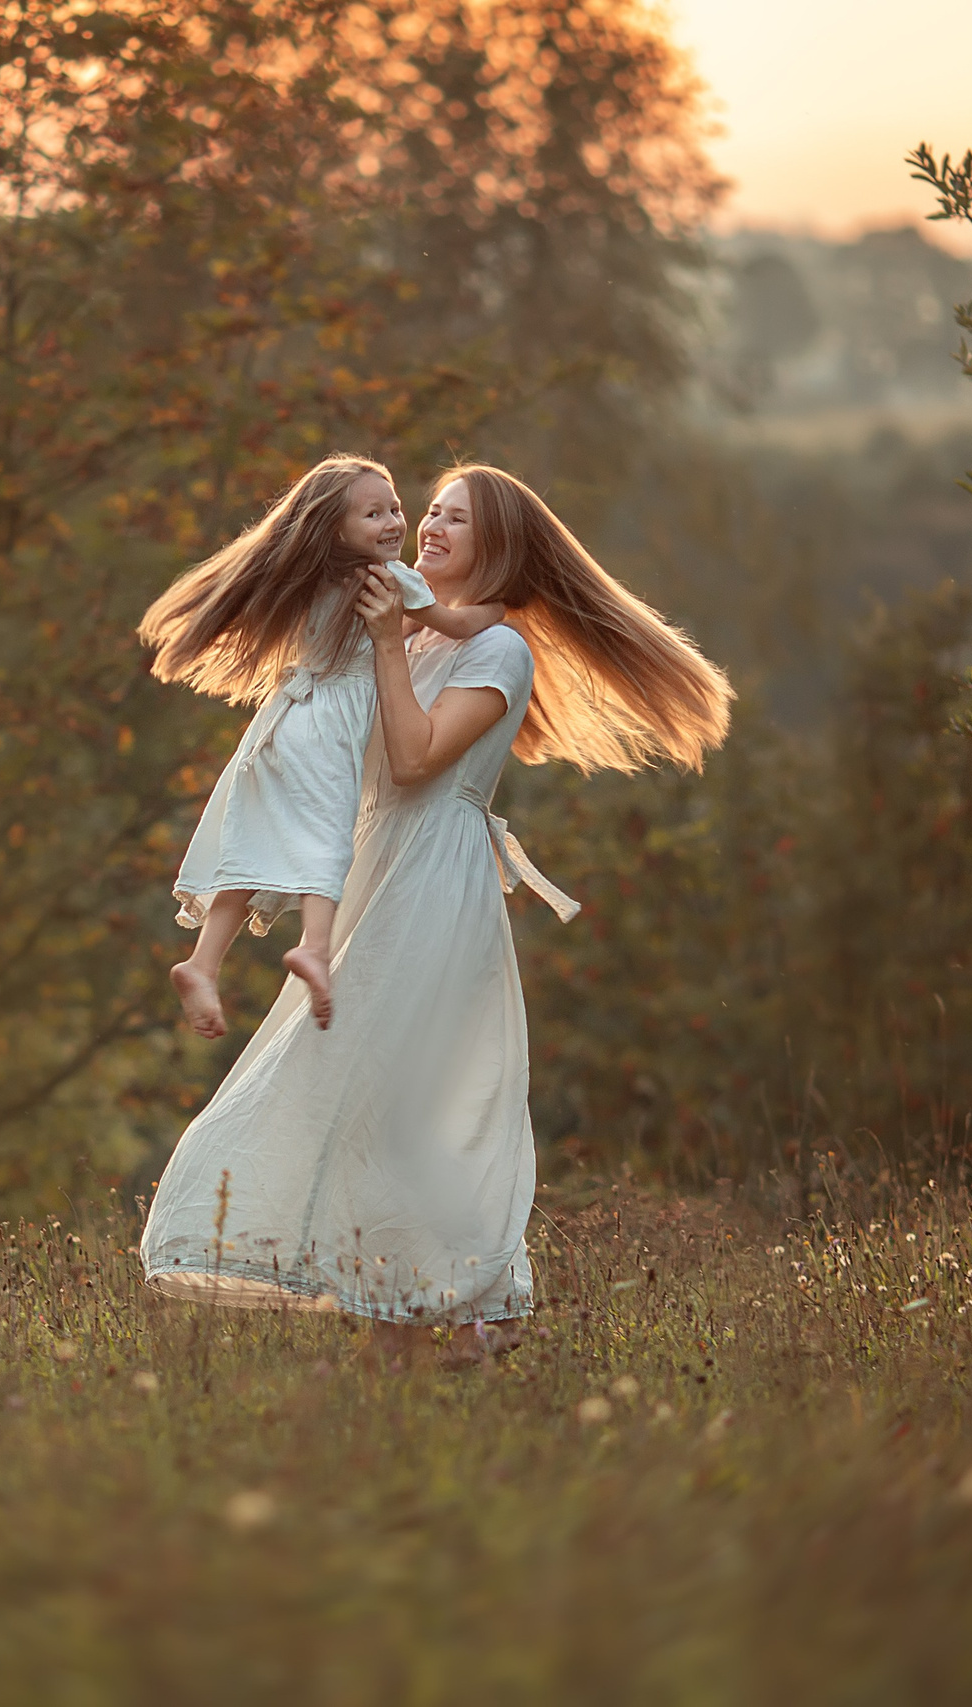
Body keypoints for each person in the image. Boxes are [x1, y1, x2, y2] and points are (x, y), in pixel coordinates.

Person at [140, 465, 734, 1363]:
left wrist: (385, 642)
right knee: (367, 1101)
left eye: (454, 520)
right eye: (432, 514)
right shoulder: (413, 635)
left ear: (496, 546)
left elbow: (416, 762)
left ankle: (461, 1312)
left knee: (398, 1104)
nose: (428, 528)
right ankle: (426, 1328)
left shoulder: (499, 652)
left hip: (433, 881)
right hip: (378, 869)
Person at [139, 455, 505, 1037]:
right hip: (326, 728)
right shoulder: (392, 581)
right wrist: (500, 608)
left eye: (395, 509)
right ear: (338, 529)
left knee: (249, 846)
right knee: (329, 834)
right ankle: (314, 946)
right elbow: (453, 626)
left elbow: (391, 631)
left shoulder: (317, 579)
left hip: (281, 721)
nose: (394, 523)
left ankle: (203, 963)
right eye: (373, 514)